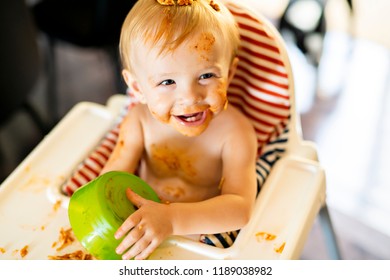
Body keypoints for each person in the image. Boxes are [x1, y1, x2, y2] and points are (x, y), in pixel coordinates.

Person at [100, 0, 258, 260]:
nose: (190, 97)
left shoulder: (235, 133)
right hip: (141, 234)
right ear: (138, 88)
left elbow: (240, 208)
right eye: (167, 81)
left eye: (206, 75)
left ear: (229, 74)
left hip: (198, 239)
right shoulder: (138, 122)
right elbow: (109, 182)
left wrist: (172, 219)